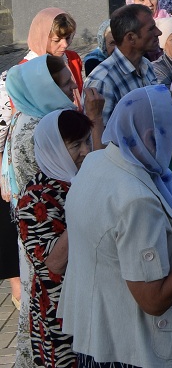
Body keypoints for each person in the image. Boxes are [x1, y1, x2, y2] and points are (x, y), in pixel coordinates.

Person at [62, 85, 172, 368]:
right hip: (135, 351)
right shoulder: (137, 201)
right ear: (151, 135)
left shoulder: (97, 160)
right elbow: (153, 300)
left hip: (102, 338)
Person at [15, 108, 92, 368]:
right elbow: (54, 264)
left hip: (92, 304)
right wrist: (84, 205)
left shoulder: (80, 181)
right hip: (61, 312)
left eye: (87, 141)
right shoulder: (36, 197)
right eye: (76, 145)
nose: (86, 151)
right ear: (52, 148)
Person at [83, 3, 156, 123]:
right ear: (131, 37)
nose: (158, 32)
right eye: (151, 29)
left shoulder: (146, 64)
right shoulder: (103, 81)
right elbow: (97, 131)